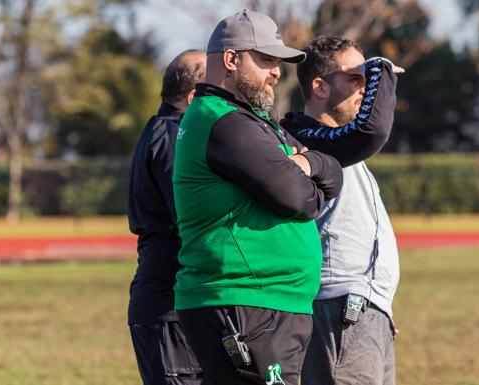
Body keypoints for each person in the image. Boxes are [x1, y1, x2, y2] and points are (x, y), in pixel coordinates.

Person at [171, 10, 343, 385]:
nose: (276, 72)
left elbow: (332, 171)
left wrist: (311, 163)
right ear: (231, 59)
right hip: (247, 305)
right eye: (265, 59)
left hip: (264, 306)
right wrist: (311, 172)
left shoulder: (248, 121)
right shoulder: (225, 123)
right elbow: (298, 198)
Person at [280, 35, 404, 385]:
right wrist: (380, 68)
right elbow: (374, 129)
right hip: (339, 309)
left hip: (364, 311)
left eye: (366, 80)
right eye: (355, 79)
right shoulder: (304, 138)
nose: (365, 90)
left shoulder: (338, 143)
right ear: (319, 86)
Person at [127, 49, 207, 385]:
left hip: (167, 304)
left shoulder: (162, 130)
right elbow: (189, 218)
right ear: (193, 96)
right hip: (169, 307)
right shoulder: (174, 136)